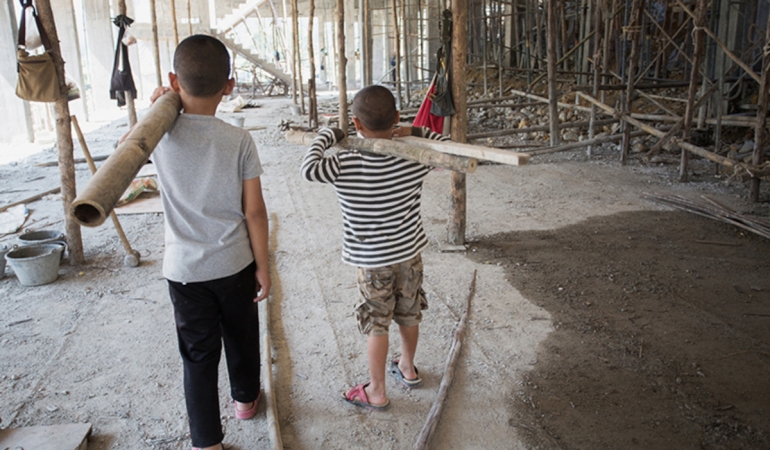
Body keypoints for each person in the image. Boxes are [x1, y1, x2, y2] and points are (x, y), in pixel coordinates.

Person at [149, 35, 271, 450]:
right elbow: (254, 212)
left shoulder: (157, 136)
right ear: (230, 85)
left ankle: (206, 442)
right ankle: (245, 401)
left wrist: (156, 106)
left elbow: (124, 150)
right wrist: (263, 267)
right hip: (234, 265)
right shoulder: (238, 140)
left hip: (184, 273)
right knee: (241, 336)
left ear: (172, 79)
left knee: (198, 357)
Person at [300, 85, 450, 410]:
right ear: (396, 118)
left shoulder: (343, 164)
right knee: (409, 311)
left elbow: (308, 167)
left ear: (356, 124)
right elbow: (447, 147)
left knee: (376, 321)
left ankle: (377, 390)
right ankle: (408, 369)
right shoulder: (413, 158)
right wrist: (410, 131)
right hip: (409, 254)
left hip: (372, 262)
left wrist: (329, 134)